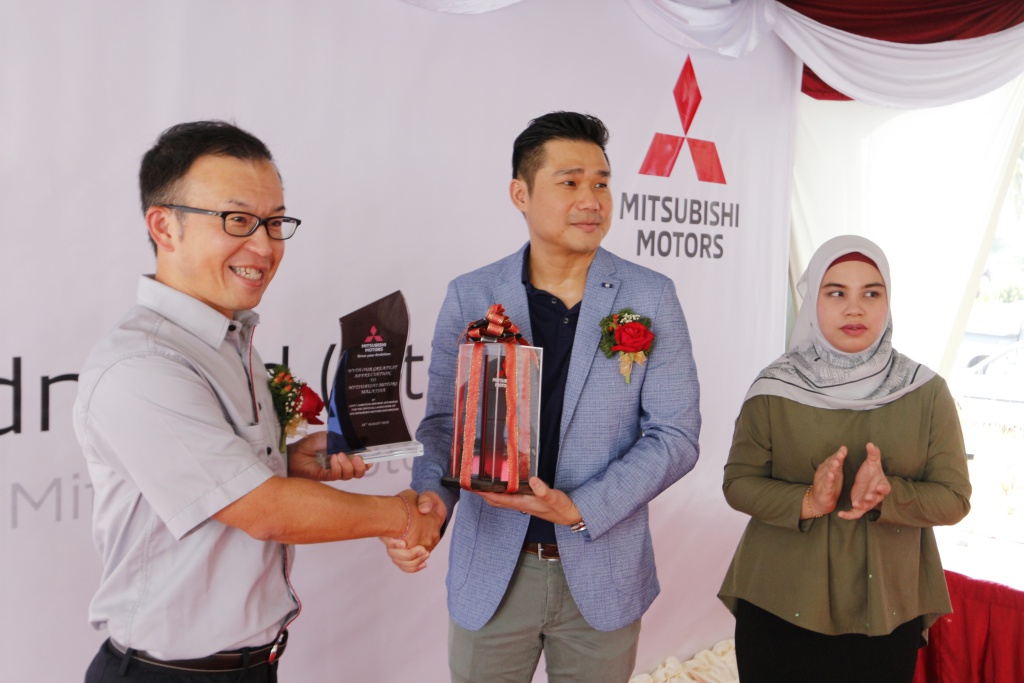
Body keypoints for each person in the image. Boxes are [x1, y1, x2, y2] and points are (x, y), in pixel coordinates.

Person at [73, 120, 444, 682]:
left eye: (275, 222)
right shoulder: (142, 364)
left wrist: (289, 462)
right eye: (238, 220)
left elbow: (226, 482)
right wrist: (401, 516)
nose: (265, 246)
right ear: (164, 226)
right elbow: (264, 511)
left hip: (252, 667)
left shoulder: (229, 337)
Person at [382, 111, 702, 683]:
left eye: (601, 183)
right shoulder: (472, 294)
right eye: (570, 181)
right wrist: (430, 504)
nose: (591, 200)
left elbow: (675, 436)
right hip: (492, 571)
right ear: (521, 194)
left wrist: (581, 508)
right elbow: (444, 425)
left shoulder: (650, 296)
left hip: (602, 572)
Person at [717, 235, 972, 683]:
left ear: (888, 302)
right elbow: (738, 483)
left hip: (886, 607)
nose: (855, 309)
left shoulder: (926, 392)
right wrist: (808, 501)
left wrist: (889, 495)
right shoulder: (776, 388)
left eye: (871, 293)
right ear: (812, 300)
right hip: (779, 603)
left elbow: (954, 499)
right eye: (836, 293)